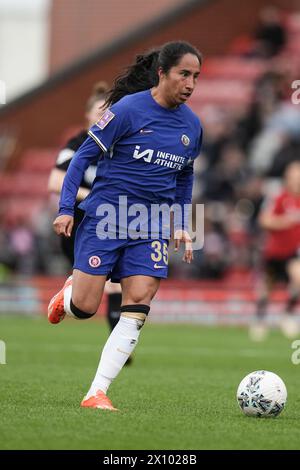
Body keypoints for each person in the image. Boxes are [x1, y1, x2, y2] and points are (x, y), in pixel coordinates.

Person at [48, 40, 203, 411]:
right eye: (184, 74)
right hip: (106, 217)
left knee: (140, 300)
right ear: (163, 73)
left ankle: (96, 392)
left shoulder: (192, 127)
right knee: (85, 308)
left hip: (150, 225)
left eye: (196, 76)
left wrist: (182, 224)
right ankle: (68, 297)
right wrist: (66, 208)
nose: (191, 83)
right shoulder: (127, 111)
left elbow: (185, 177)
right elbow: (81, 157)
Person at [48, 82, 123, 337]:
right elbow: (55, 182)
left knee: (117, 286)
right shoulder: (78, 143)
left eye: (108, 112)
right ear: (88, 115)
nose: (104, 116)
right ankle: (69, 293)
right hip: (78, 225)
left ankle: (120, 347)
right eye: (99, 112)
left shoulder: (118, 143)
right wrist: (94, 197)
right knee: (89, 299)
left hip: (110, 223)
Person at [250, 161, 300, 341]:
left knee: (298, 278)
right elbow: (264, 221)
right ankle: (260, 321)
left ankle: (286, 315)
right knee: (265, 289)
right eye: (294, 177)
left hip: (292, 253)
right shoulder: (279, 197)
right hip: (273, 251)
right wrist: (286, 221)